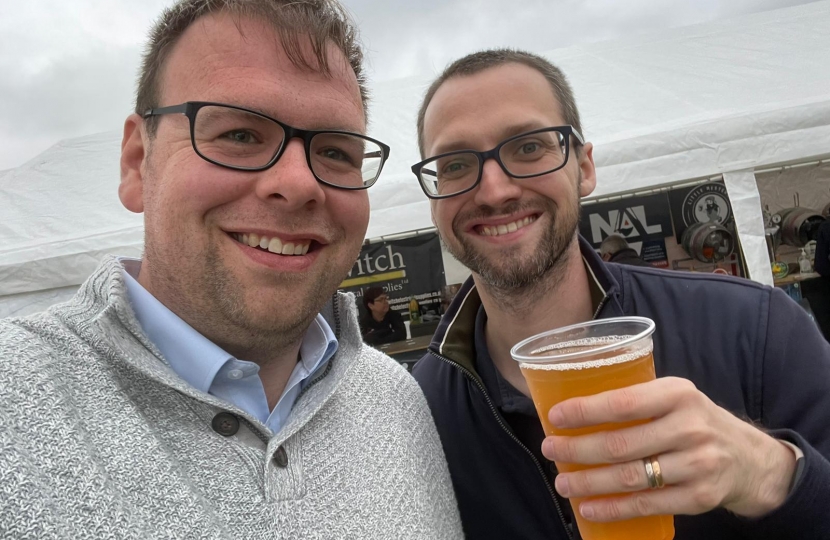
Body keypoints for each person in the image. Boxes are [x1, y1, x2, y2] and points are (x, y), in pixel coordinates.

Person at [0, 1, 462, 538]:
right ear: (136, 163)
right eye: (240, 135)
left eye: (336, 152)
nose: (299, 183)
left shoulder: (398, 402)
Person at [410, 49, 830, 540]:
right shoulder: (419, 408)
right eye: (456, 164)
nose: (494, 190)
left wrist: (770, 475)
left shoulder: (753, 327)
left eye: (527, 147)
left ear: (584, 167)